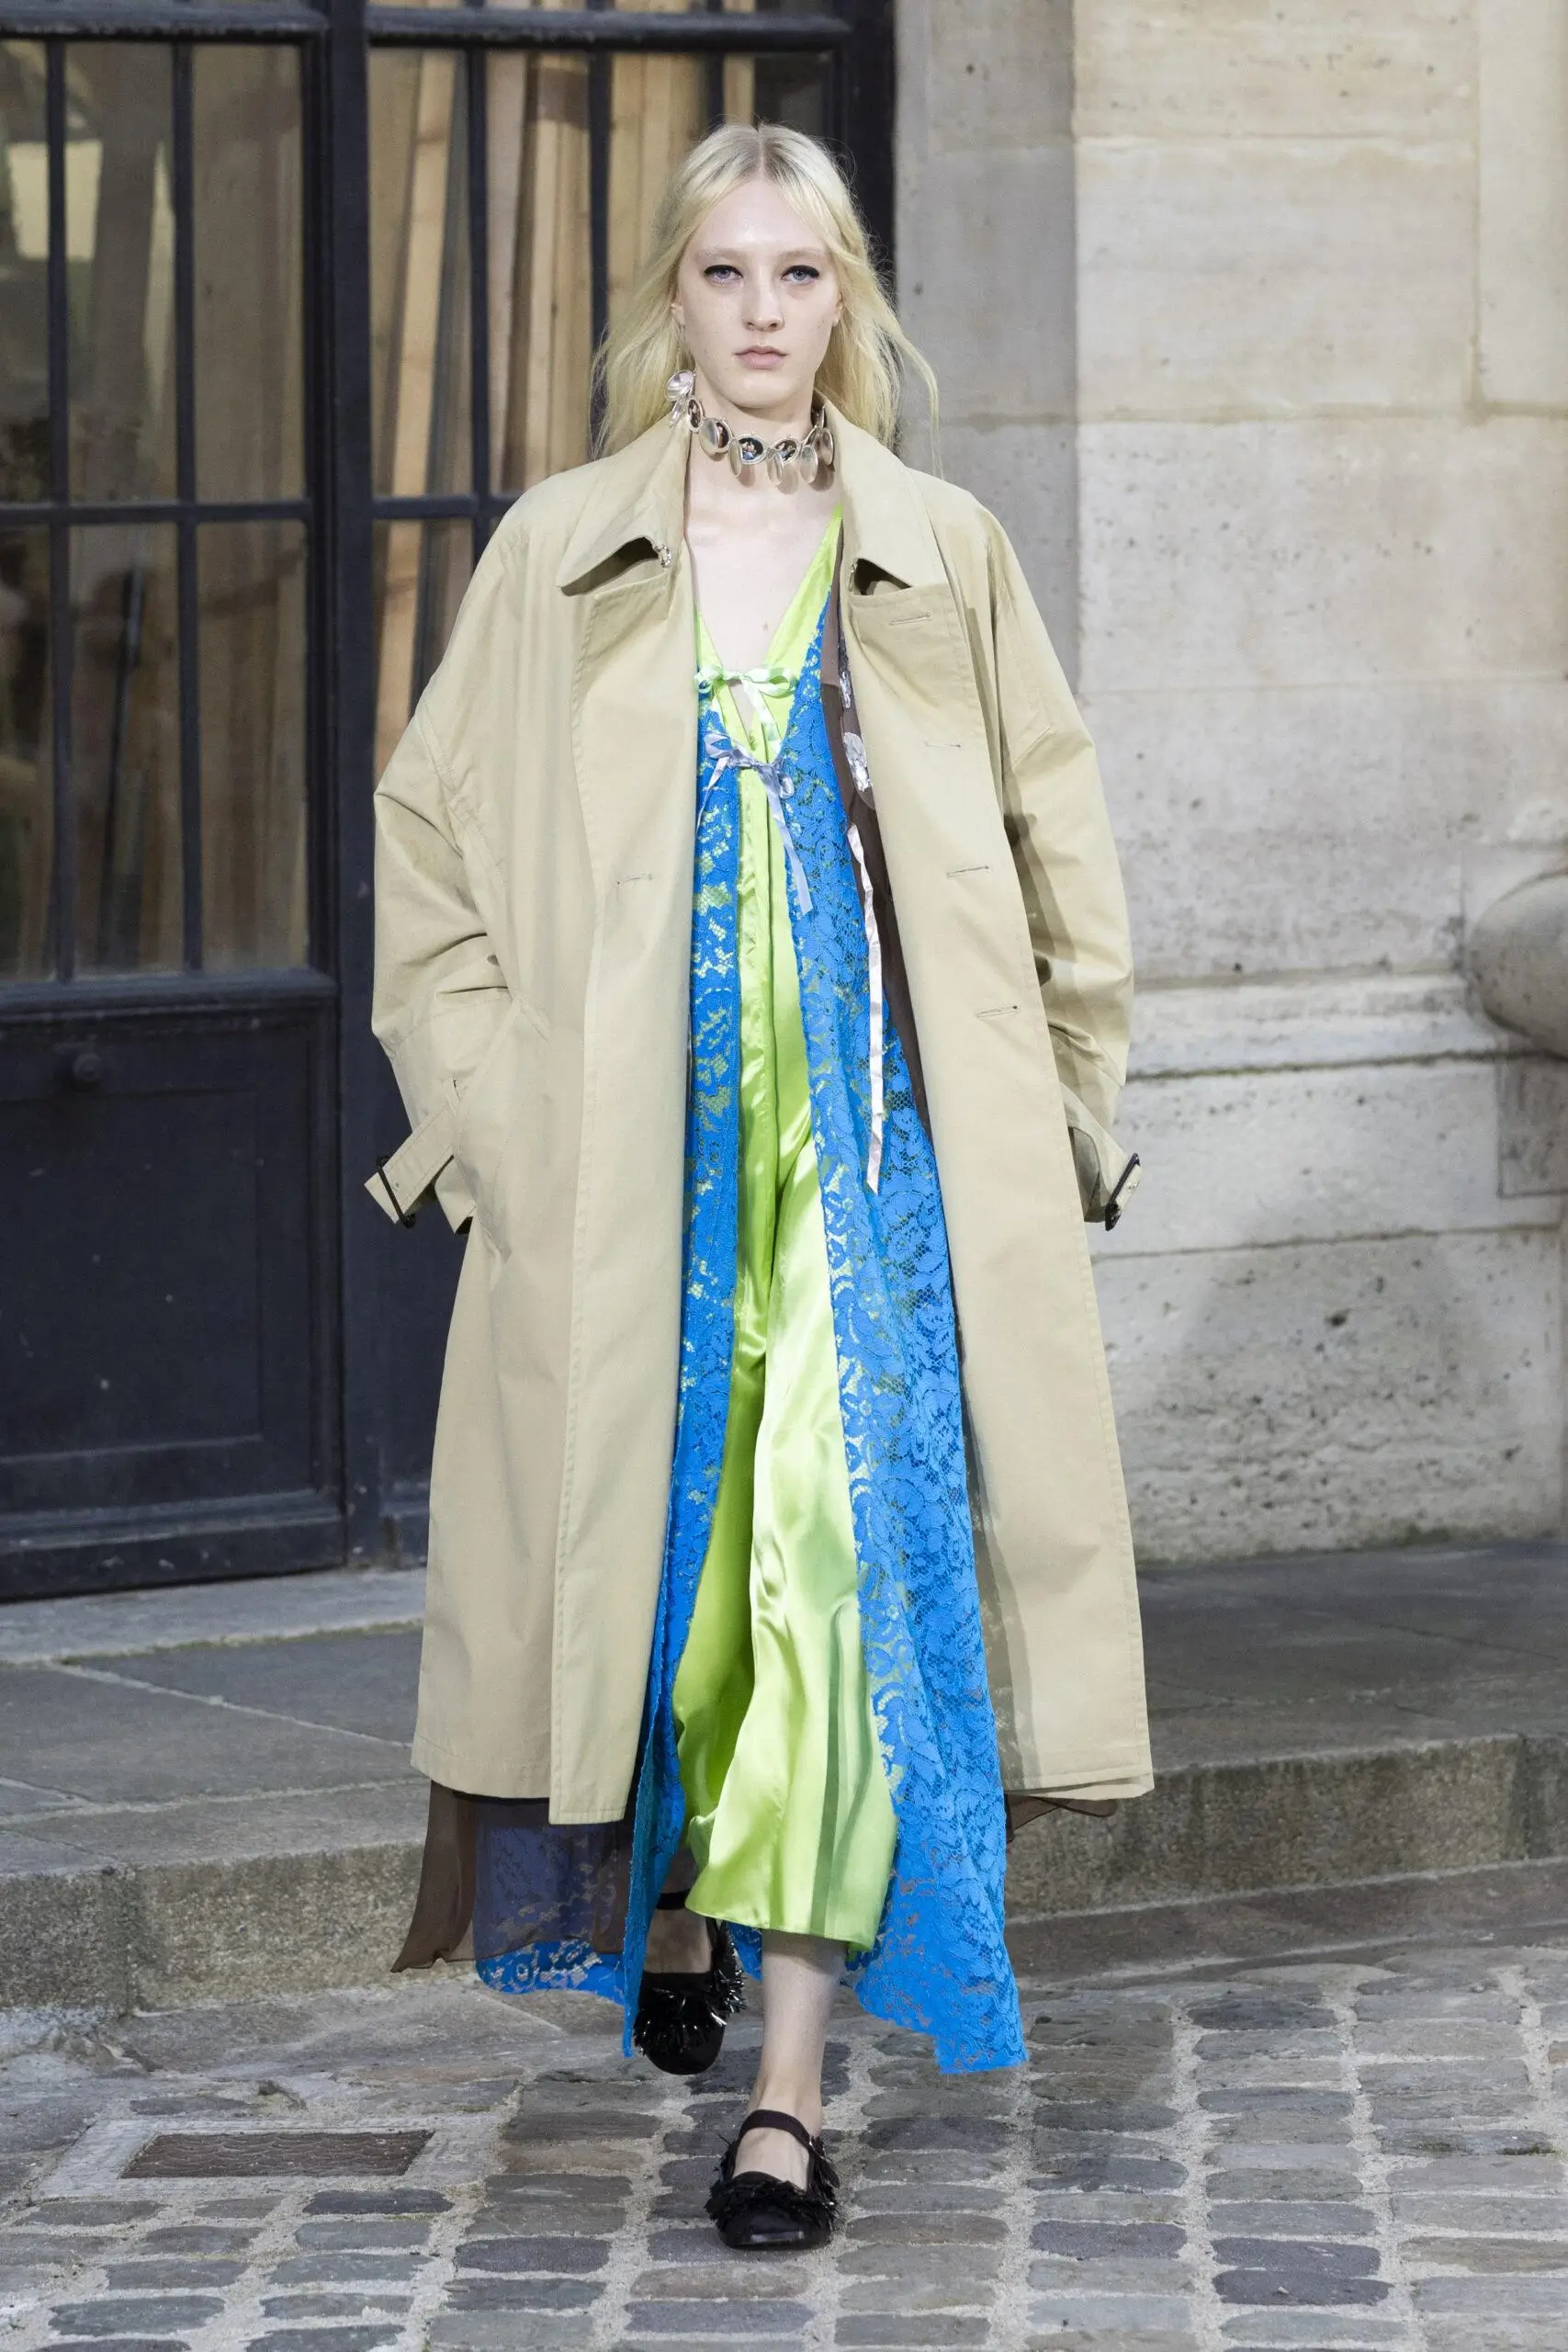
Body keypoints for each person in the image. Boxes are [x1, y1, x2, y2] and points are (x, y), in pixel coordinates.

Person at [369, 121, 1152, 2253]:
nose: (762, 316)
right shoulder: (555, 549)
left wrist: (1066, 1101)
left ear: (849, 296)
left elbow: (1058, 847)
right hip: (630, 1180)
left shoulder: (944, 549)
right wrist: (490, 1121)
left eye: (799, 274)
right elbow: (425, 851)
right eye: (723, 274)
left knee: (824, 1560)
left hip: (873, 1169)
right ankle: (683, 1901)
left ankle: (788, 2091)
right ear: (671, 301)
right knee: (664, 1565)